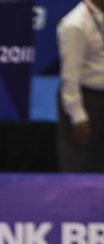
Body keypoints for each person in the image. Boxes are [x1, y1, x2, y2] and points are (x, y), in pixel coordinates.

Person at [57, 0, 104, 172]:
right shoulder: (75, 24)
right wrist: (77, 116)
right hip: (86, 100)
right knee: (79, 166)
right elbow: (70, 76)